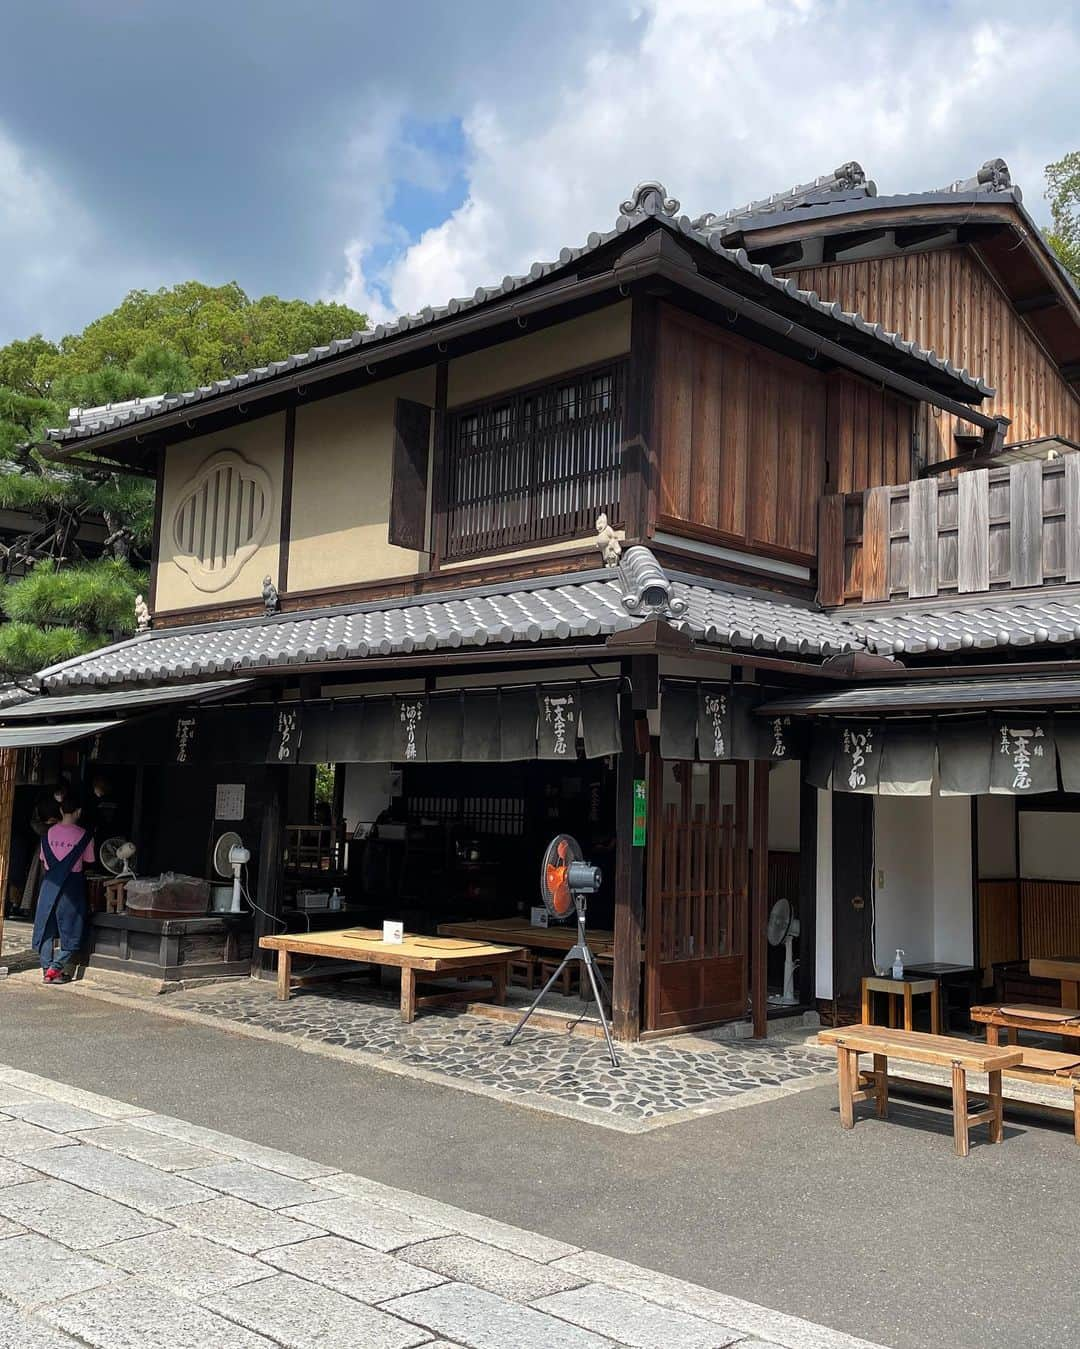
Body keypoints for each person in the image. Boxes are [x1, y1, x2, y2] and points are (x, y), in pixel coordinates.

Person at [33, 791, 95, 985]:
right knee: (73, 928)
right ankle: (55, 969)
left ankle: (47, 969)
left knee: (46, 928)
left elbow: (43, 859)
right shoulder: (84, 836)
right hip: (71, 886)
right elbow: (90, 860)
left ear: (61, 809)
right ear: (79, 812)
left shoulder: (47, 833)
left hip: (49, 884)